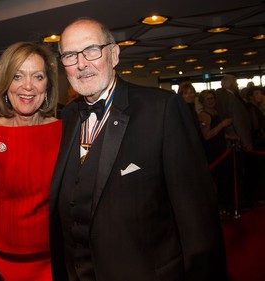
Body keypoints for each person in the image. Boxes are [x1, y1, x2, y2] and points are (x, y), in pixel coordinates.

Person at [49, 17, 228, 281]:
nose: (81, 63)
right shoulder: (70, 116)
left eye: (91, 50)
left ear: (114, 54)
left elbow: (198, 222)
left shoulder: (163, 110)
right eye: (70, 55)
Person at [0, 42, 62, 281]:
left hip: (57, 256)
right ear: (5, 82)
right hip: (6, 260)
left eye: (38, 76)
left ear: (48, 85)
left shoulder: (65, 131)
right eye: (17, 76)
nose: (28, 86)